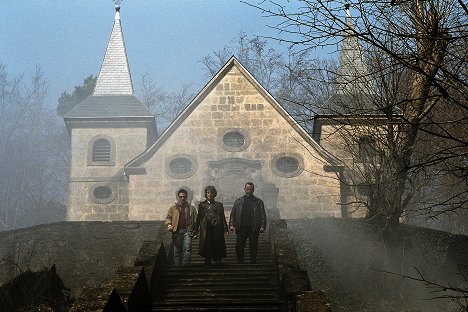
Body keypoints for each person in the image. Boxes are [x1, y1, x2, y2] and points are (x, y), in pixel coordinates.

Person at [229, 182, 266, 264]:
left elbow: (263, 215)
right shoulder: (238, 201)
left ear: (253, 190)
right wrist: (231, 225)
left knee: (253, 246)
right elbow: (233, 214)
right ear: (244, 189)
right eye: (247, 189)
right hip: (241, 227)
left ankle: (253, 262)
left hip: (253, 227)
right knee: (239, 246)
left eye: (251, 189)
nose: (249, 191)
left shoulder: (258, 201)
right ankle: (240, 262)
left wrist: (263, 226)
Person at [194, 185, 228, 268]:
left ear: (214, 194)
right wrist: (195, 229)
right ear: (206, 194)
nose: (210, 194)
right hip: (206, 228)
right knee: (207, 244)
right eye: (208, 192)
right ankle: (207, 261)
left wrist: (225, 229)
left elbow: (222, 217)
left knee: (217, 243)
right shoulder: (202, 205)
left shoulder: (219, 205)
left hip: (217, 227)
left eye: (211, 192)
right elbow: (199, 218)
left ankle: (218, 259)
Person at [165, 188, 198, 265]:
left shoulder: (192, 208)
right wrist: (169, 224)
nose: (182, 198)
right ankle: (178, 267)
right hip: (176, 231)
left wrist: (196, 231)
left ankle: (186, 266)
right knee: (177, 251)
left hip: (187, 231)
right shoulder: (173, 208)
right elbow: (168, 218)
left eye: (184, 196)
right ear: (178, 197)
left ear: (186, 197)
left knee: (187, 249)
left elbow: (196, 220)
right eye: (181, 197)